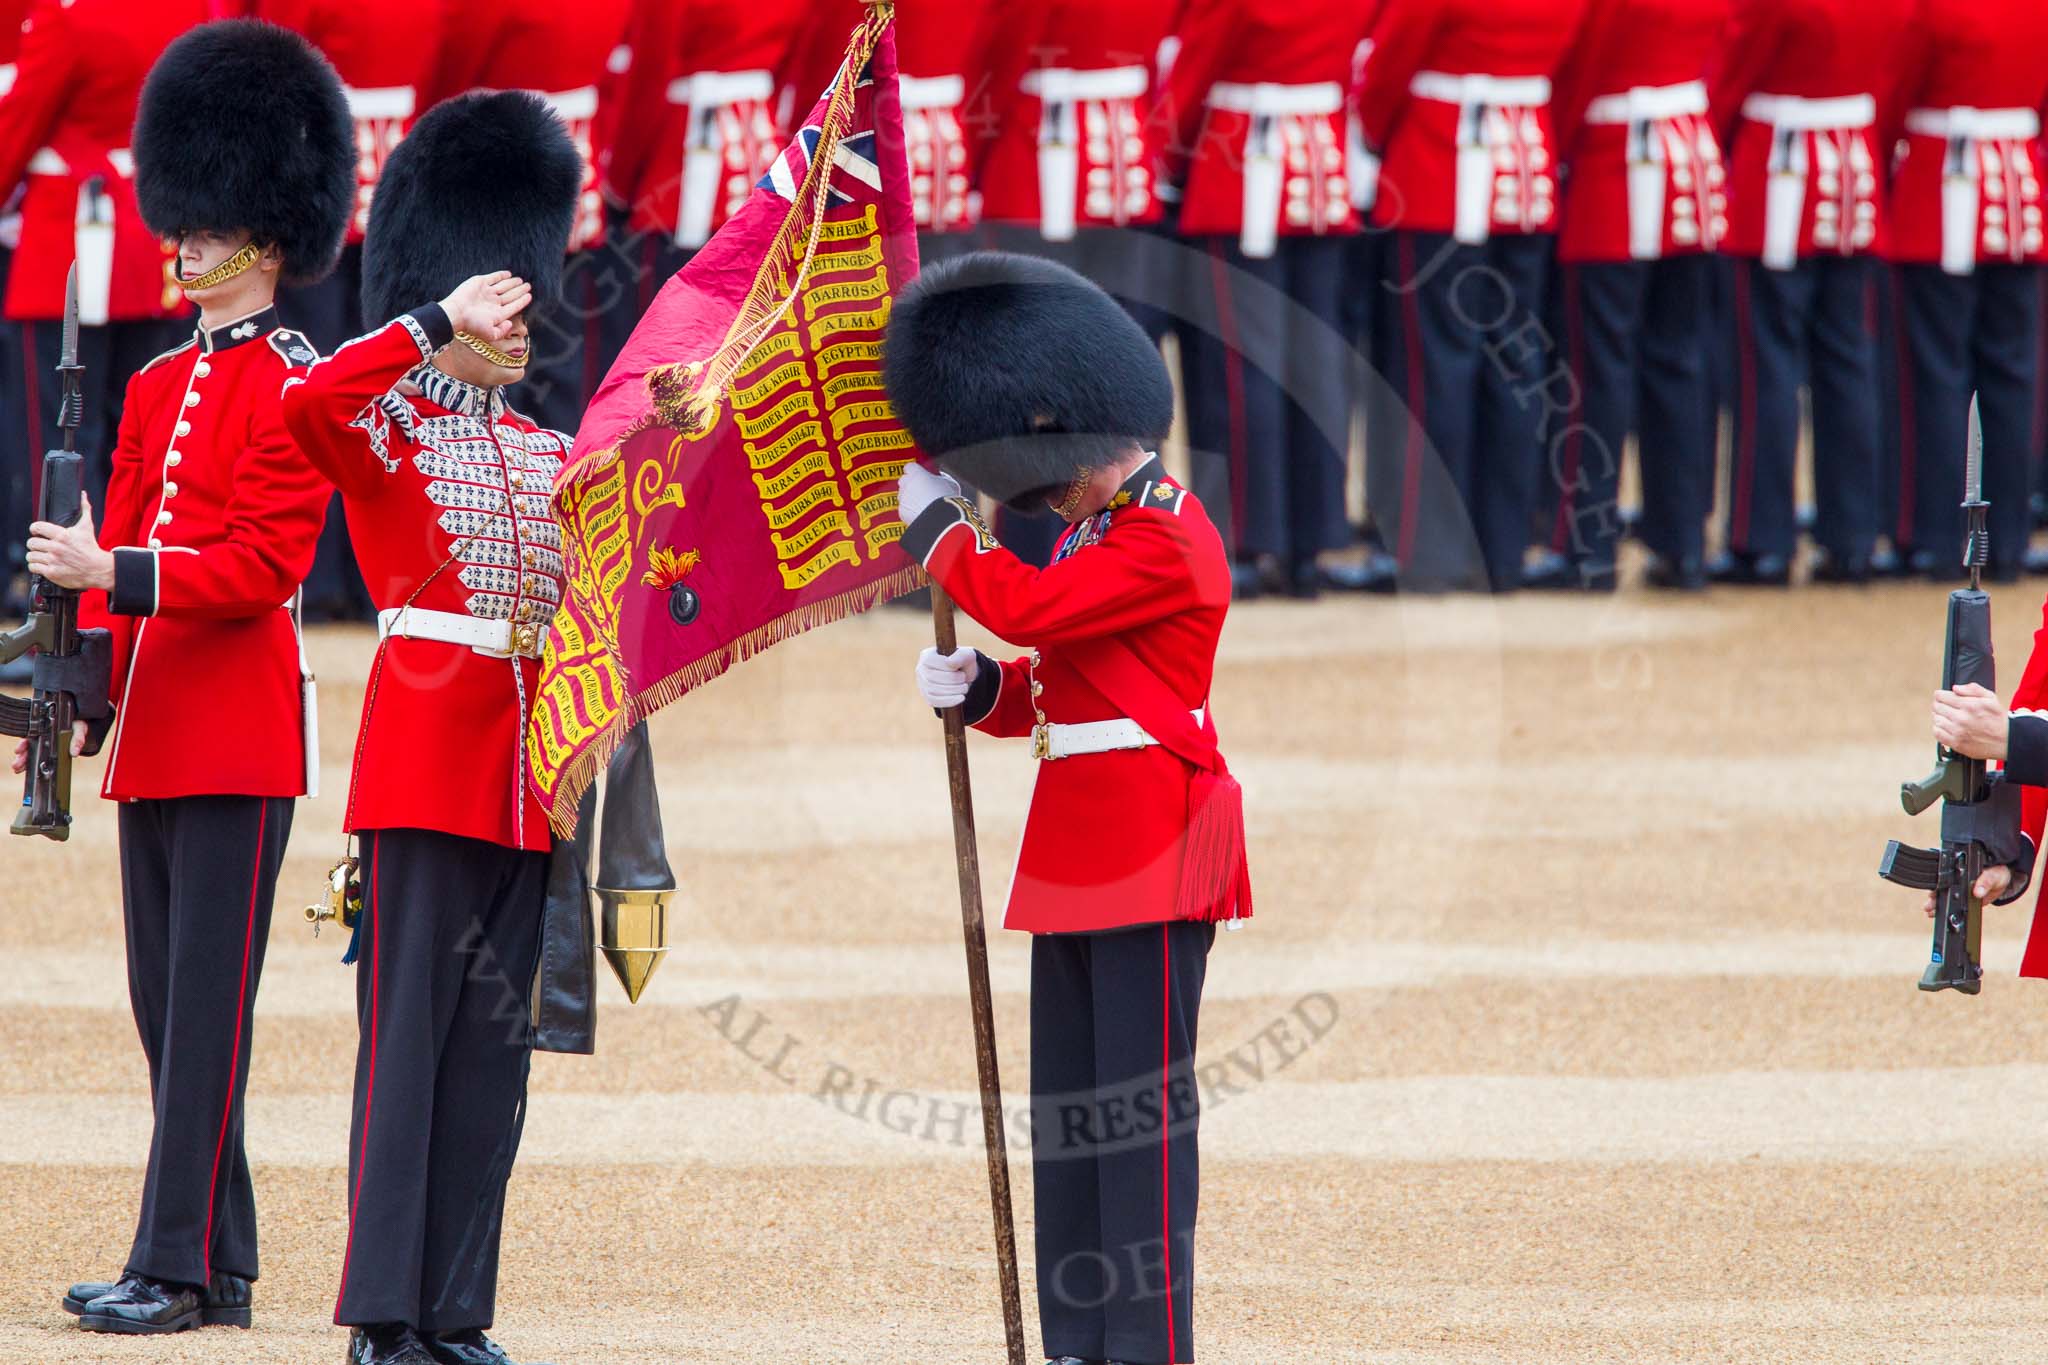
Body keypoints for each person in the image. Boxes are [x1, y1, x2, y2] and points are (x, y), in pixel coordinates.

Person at [20, 17, 349, 1336]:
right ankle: (221, 1257)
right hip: (154, 731)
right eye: (187, 219)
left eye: (211, 225)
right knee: (168, 1012)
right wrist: (66, 680)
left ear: (269, 233)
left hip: (237, 734)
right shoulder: (159, 379)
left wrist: (112, 568)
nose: (188, 239)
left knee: (205, 1013)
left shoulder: (297, 381)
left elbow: (261, 566)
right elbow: (131, 571)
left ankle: (171, 1263)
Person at [886, 251, 1252, 1365]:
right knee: (1072, 1123)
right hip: (1082, 844)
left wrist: (940, 536)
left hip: (1149, 844)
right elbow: (1066, 679)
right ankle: (1082, 1340)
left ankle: (1145, 1346)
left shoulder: (1166, 533)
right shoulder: (1101, 527)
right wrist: (985, 692)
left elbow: (1034, 609)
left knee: (1135, 1131)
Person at [279, 88, 583, 1365]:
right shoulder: (389, 430)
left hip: (527, 774)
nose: (517, 323)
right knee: (406, 1054)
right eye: (497, 305)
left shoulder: (550, 451)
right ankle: (379, 1315)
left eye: (521, 302)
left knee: (489, 1063)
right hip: (420, 765)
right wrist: (423, 319)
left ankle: (455, 1309)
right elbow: (309, 409)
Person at [1356, 0, 1590, 594]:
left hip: (1440, 162)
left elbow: (1387, 67)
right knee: (1515, 369)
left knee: (1432, 370)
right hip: (1525, 167)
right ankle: (1501, 550)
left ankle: (1425, 553)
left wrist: (1376, 136)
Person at [1158, 0, 1367, 600]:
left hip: (1240, 163)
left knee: (1237, 368)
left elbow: (1196, 73)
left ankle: (1246, 541)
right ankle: (1310, 542)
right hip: (1320, 170)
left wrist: (1169, 157)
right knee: (1317, 361)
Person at [1708, 0, 1913, 585]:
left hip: (1779, 173)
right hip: (1854, 171)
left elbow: (1731, 76)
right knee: (1849, 362)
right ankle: (1850, 538)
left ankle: (1763, 540)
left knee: (1765, 367)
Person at [1531, 0, 1730, 592]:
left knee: (1597, 370)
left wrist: (1554, 144)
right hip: (1689, 161)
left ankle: (1587, 545)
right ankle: (1682, 542)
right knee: (1679, 363)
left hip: (1616, 165)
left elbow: (1581, 71)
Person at [974, 0, 1179, 568]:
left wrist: (977, 152)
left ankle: (1036, 538)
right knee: (1119, 364)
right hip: (1124, 157)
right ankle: (1129, 530)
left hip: (1038, 156)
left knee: (1036, 372)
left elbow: (1001, 52)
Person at [261, 0, 441, 624]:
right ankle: (372, 574)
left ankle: (326, 572)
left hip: (321, 168)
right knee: (390, 373)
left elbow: (280, 74)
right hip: (402, 165)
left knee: (317, 379)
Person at [0, 0, 199, 505]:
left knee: (57, 435)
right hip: (153, 243)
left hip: (67, 243)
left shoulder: (67, 16)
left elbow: (16, 129)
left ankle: (56, 573)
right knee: (137, 434)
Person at [1882, 0, 2048, 583]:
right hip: (2021, 195)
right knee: (2013, 375)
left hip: (1943, 190)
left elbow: (1896, 91)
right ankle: (2005, 542)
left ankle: (1934, 536)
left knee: (1935, 376)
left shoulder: (1933, 10)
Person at [424, 0, 631, 439]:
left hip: (499, 177)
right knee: (563, 348)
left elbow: (451, 76)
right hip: (575, 168)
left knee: (490, 340)